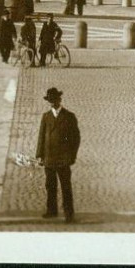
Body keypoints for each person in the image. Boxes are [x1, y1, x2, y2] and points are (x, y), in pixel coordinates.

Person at [37, 86, 81, 222]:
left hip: (63, 158)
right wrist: (40, 155)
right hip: (49, 157)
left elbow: (76, 138)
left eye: (54, 100)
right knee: (50, 185)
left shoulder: (69, 116)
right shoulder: (46, 116)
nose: (52, 103)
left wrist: (72, 156)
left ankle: (69, 213)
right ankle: (52, 210)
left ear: (59, 100)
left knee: (65, 186)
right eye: (50, 101)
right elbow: (41, 137)